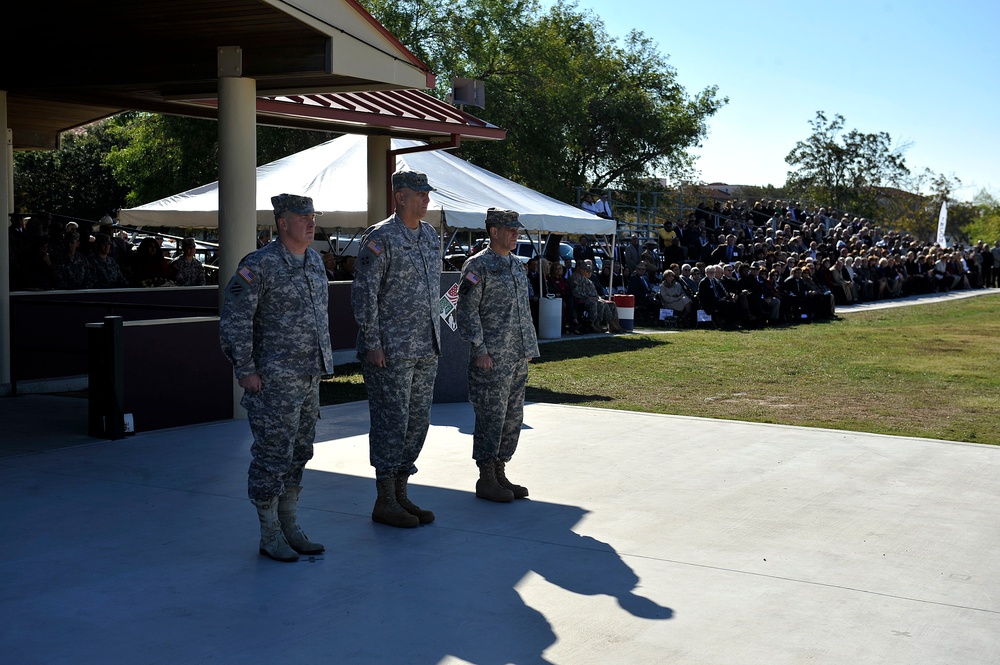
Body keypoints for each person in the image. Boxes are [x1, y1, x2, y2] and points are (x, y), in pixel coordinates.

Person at [219, 193, 335, 563]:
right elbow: (234, 319)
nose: (310, 221)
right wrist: (245, 368)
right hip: (273, 380)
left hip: (308, 377)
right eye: (302, 216)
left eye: (312, 215)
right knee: (272, 455)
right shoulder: (258, 265)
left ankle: (290, 525)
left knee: (300, 452)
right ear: (282, 222)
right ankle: (269, 533)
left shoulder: (314, 261)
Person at [351, 169, 441, 529]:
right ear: (400, 197)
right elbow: (363, 294)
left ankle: (401, 493)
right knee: (391, 422)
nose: (426, 199)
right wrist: (372, 343)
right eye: (419, 194)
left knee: (417, 423)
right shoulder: (380, 238)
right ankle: (384, 499)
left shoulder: (431, 236)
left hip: (425, 347)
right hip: (390, 349)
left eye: (427, 193)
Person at [457, 208, 540, 502]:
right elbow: (465, 310)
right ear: (494, 231)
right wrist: (480, 350)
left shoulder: (518, 265)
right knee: (491, 418)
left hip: (516, 357)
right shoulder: (477, 265)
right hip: (491, 359)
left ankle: (500, 471)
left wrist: (528, 348)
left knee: (512, 418)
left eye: (517, 228)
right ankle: (486, 478)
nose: (516, 233)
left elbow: (522, 311)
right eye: (510, 229)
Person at [570, 262, 624, 333]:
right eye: (584, 270)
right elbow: (577, 293)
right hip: (581, 300)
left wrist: (597, 297)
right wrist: (590, 298)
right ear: (578, 268)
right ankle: (596, 324)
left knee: (612, 304)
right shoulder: (575, 278)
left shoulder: (587, 280)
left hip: (592, 298)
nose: (587, 272)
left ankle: (614, 323)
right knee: (601, 304)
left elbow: (594, 292)